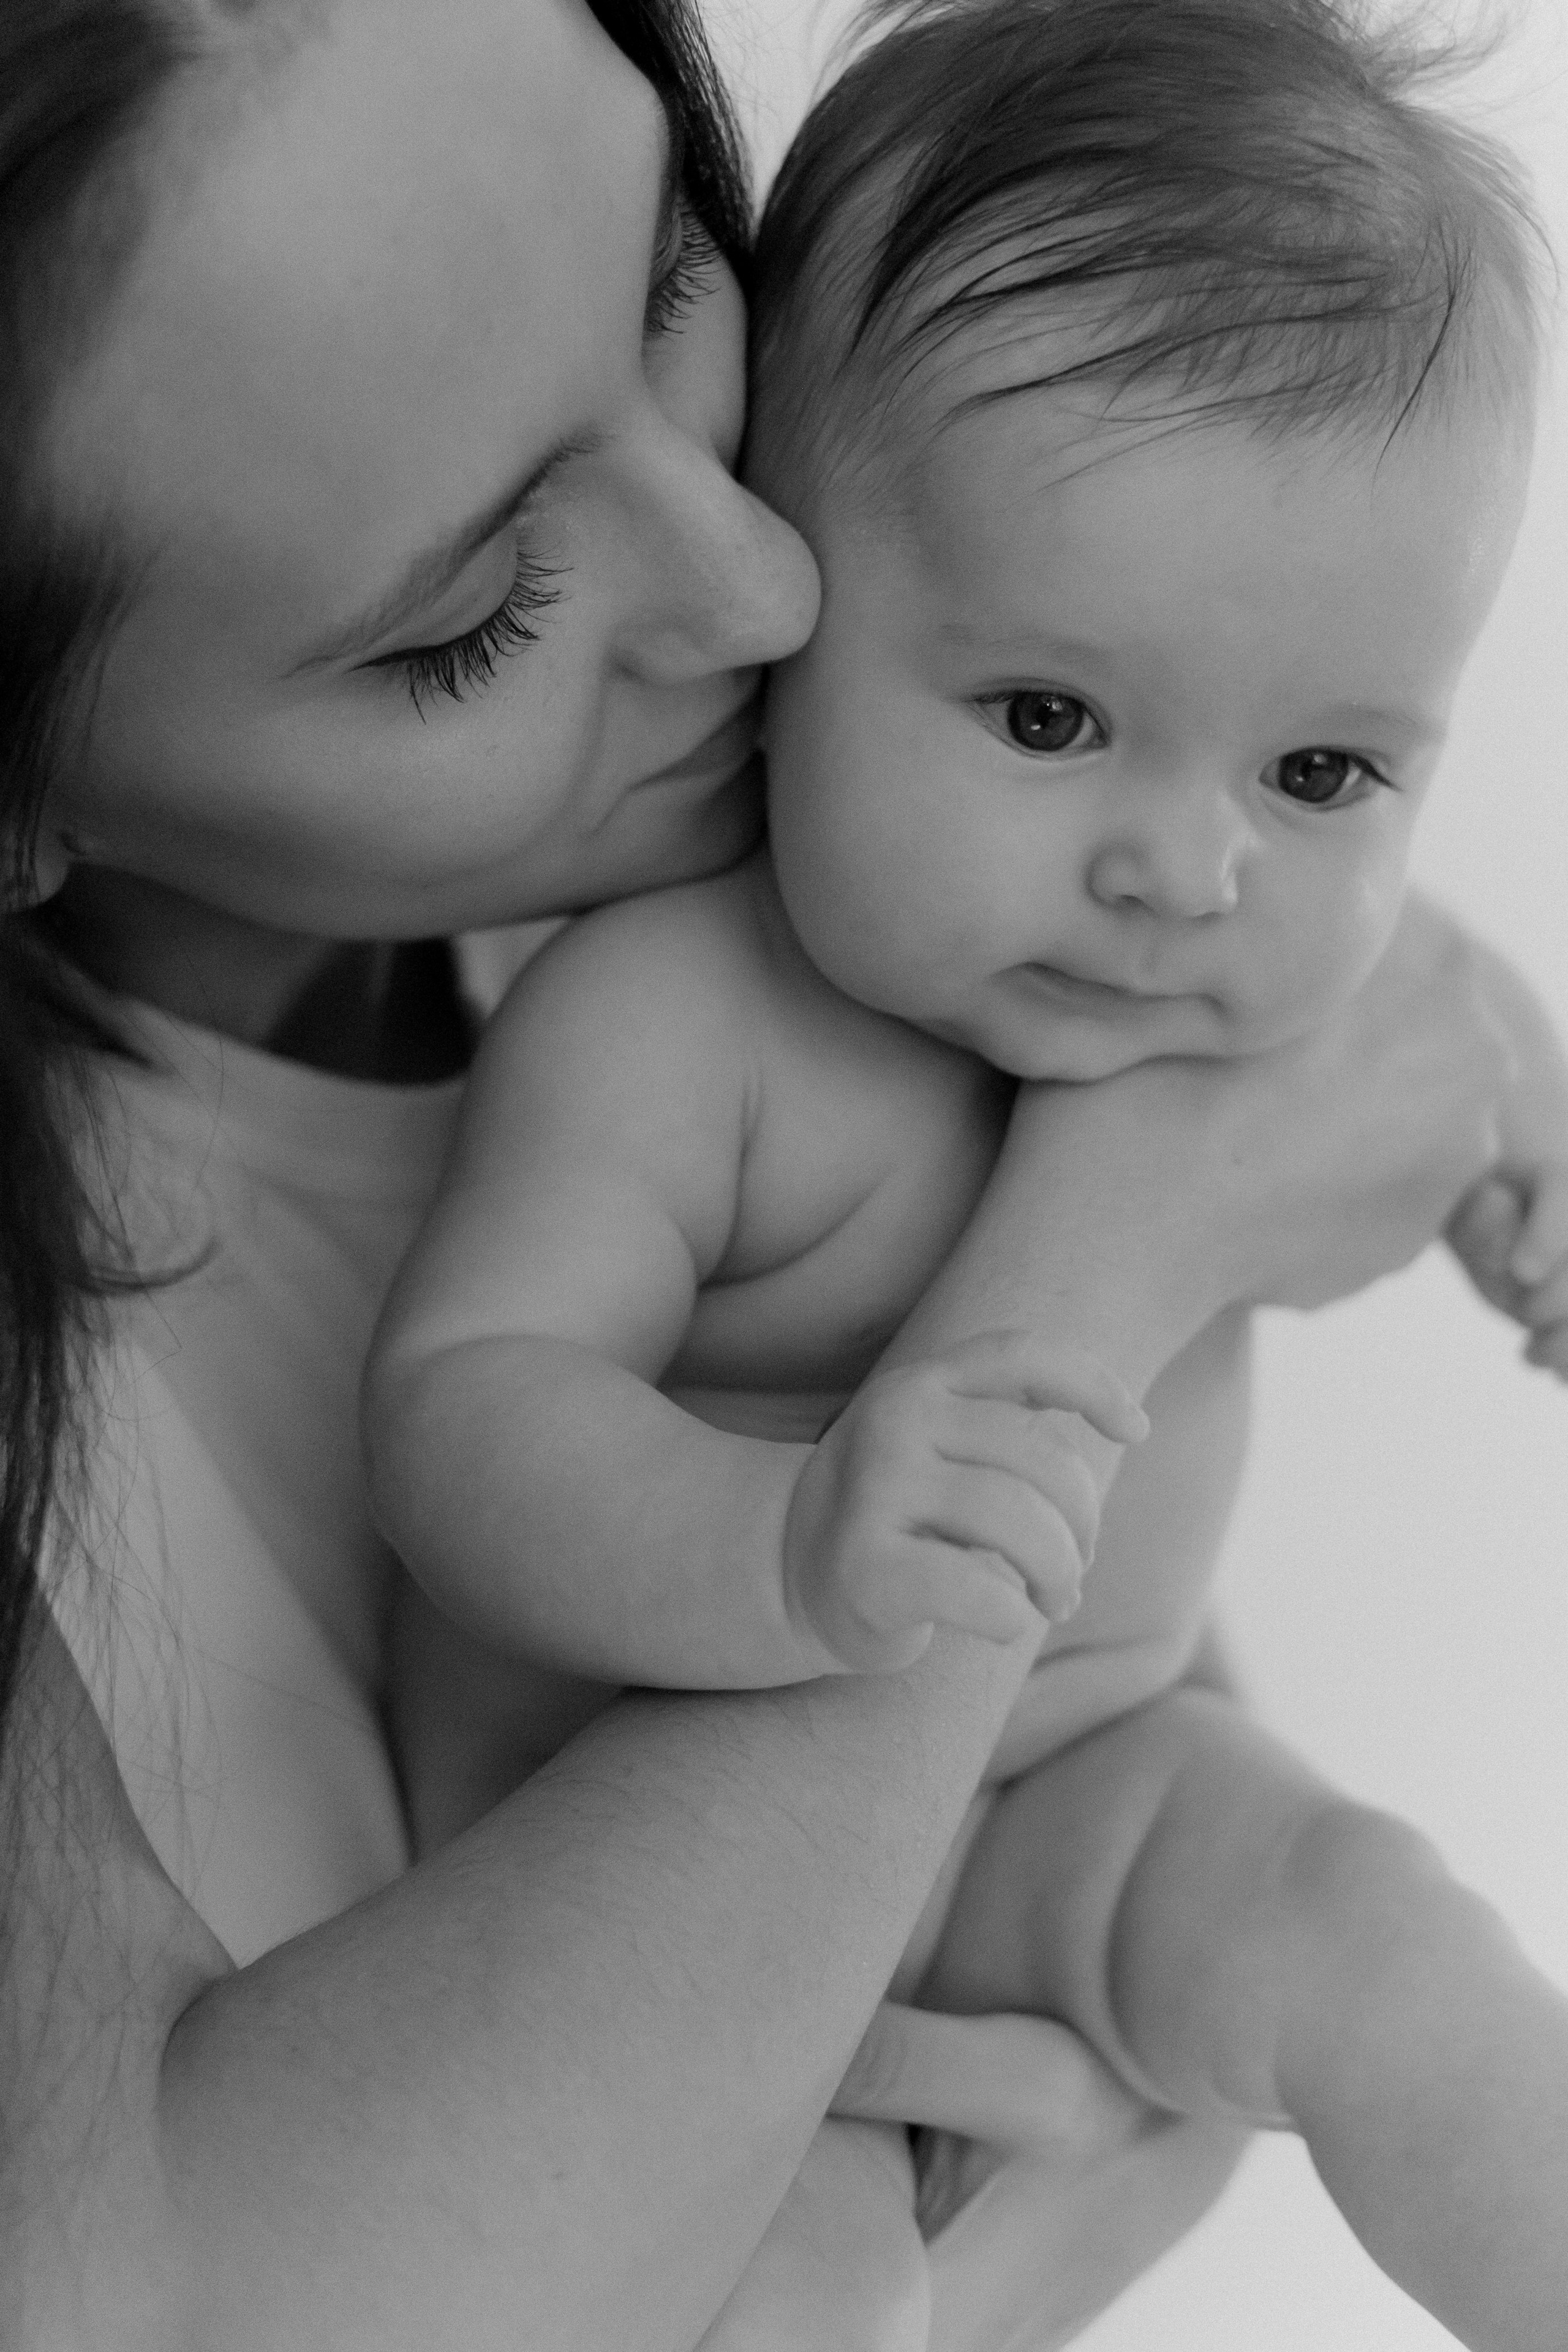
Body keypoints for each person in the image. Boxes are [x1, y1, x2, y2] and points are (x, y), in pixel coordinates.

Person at [0, 0, 1518, 2346]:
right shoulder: (674, 1009)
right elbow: (477, 1413)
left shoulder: (1031, 897)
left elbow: (1410, 1012)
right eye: (470, 618)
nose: (768, 593)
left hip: (1072, 1807)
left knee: (1391, 1949)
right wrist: (796, 1549)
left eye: (672, 286)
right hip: (623, 1850)